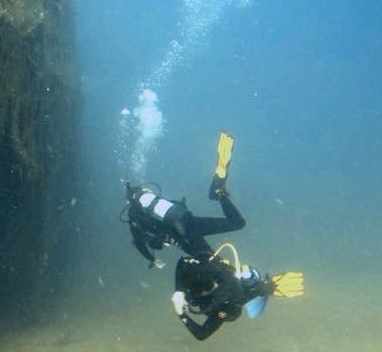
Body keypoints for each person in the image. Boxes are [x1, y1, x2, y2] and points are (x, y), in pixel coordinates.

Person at [123, 131, 243, 267]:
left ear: (130, 200)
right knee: (237, 223)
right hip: (191, 221)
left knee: (214, 264)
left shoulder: (134, 213)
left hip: (181, 235)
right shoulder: (157, 202)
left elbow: (139, 242)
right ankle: (219, 193)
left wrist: (152, 259)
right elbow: (178, 207)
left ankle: (239, 282)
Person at [170, 244, 305, 340]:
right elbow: (182, 262)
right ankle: (258, 284)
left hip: (230, 304)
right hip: (230, 291)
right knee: (251, 289)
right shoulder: (199, 271)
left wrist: (181, 313)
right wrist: (179, 291)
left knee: (239, 301)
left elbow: (201, 334)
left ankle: (258, 283)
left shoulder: (228, 302)